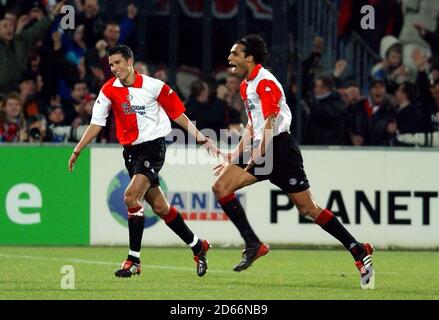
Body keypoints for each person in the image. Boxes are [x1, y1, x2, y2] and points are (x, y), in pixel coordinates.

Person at [212, 34, 375, 289]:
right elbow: (252, 126)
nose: (230, 57)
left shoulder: (266, 83)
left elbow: (268, 122)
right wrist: (235, 155)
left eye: (235, 53)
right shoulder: (246, 85)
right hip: (262, 147)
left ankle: (357, 249)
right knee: (221, 188)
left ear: (250, 57)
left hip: (280, 148)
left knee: (308, 208)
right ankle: (253, 244)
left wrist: (258, 152)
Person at [68, 45, 216, 278]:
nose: (114, 68)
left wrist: (200, 137)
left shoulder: (154, 86)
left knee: (130, 196)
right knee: (160, 207)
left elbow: (178, 114)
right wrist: (78, 149)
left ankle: (133, 259)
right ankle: (197, 245)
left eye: (118, 63)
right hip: (130, 153)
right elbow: (97, 123)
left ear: (130, 61)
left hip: (153, 148)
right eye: (111, 65)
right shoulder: (108, 90)